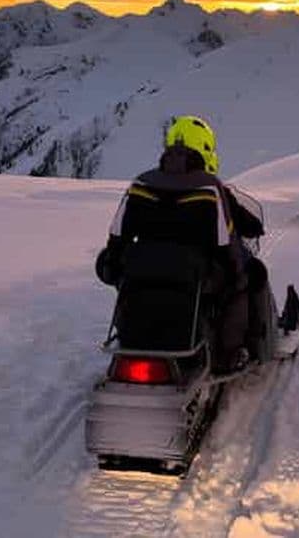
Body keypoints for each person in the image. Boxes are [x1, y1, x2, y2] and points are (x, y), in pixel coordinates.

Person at [95, 114, 270, 373]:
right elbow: (227, 247)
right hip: (194, 278)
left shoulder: (140, 183)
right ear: (205, 148)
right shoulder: (212, 189)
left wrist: (113, 265)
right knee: (248, 276)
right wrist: (237, 275)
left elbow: (115, 241)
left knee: (128, 277)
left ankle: (130, 335)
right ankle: (235, 352)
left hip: (141, 275)